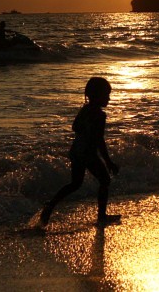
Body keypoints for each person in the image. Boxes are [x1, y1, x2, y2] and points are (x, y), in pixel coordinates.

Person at [40, 77, 120, 226]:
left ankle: (50, 206)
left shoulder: (85, 110)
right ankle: (101, 216)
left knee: (75, 183)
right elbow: (99, 141)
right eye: (106, 95)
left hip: (77, 151)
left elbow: (75, 127)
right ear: (96, 96)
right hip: (88, 154)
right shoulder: (100, 115)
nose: (109, 98)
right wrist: (108, 162)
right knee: (105, 180)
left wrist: (86, 128)